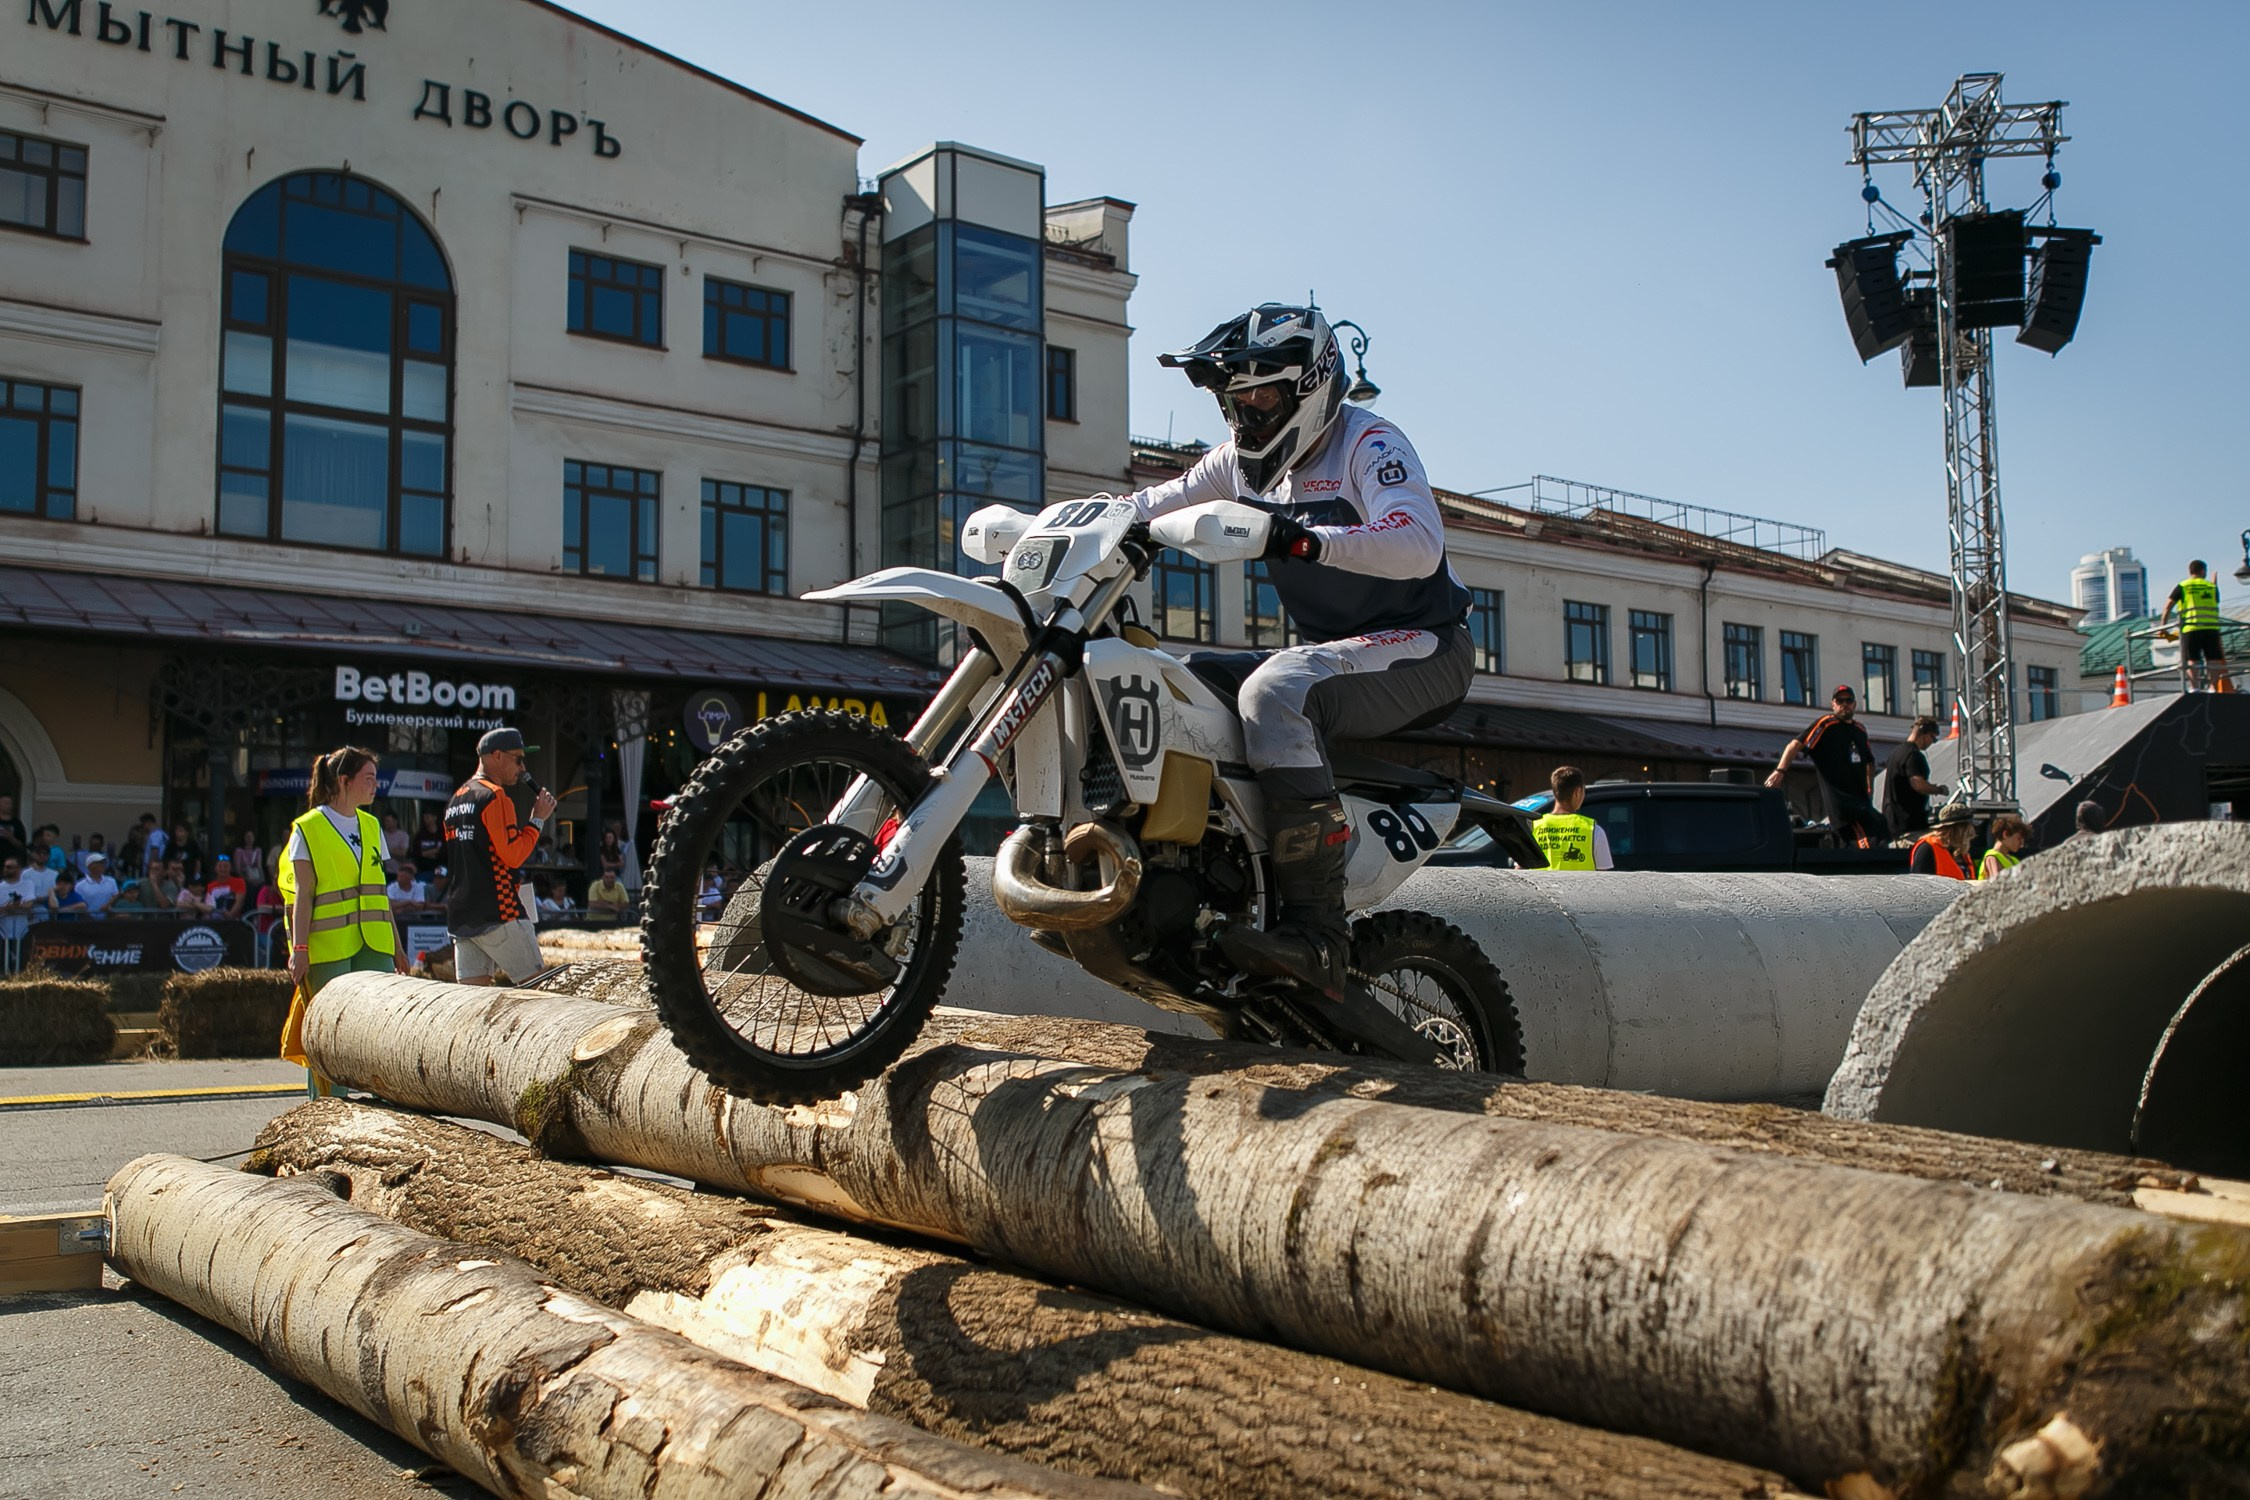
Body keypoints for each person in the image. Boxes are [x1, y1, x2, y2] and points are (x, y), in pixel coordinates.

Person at [1111, 304, 1476, 998]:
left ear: (1311, 387)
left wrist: (1304, 540)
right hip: (1340, 651)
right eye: (1235, 403)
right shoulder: (1238, 467)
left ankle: (1318, 935)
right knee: (1174, 682)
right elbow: (1152, 503)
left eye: (1262, 400)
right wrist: (1059, 521)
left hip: (1426, 645)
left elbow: (1417, 541)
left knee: (1277, 690)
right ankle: (1220, 886)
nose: (1247, 420)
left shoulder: (1369, 444)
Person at [278, 746, 410, 1097]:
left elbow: (380, 895)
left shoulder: (372, 826)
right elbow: (302, 896)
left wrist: (397, 949)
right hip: (328, 947)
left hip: (374, 945)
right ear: (344, 781)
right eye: (368, 779)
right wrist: (299, 949)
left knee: (377, 1031)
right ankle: (325, 1107)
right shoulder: (307, 828)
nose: (375, 786)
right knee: (328, 1036)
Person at [443, 727, 555, 986]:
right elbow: (513, 855)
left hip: (462, 917)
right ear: (496, 756)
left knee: (473, 1006)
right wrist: (537, 820)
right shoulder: (495, 796)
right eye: (518, 759)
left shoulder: (455, 801)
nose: (522, 766)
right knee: (539, 993)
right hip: (499, 914)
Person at [1768, 685, 1887, 849]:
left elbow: (1870, 761)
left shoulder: (1859, 729)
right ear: (1833, 704)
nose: (1844, 704)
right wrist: (1780, 771)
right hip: (1845, 809)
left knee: (1883, 830)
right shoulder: (1826, 725)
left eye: (1848, 700)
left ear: (1855, 704)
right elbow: (1794, 745)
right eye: (1840, 700)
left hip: (1863, 804)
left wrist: (1869, 791)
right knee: (1869, 847)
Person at [2159, 559, 2233, 693]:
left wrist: (2163, 626)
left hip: (2191, 628)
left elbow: (2168, 606)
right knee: (2214, 660)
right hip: (2211, 628)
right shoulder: (2210, 586)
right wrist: (2214, 583)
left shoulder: (2184, 585)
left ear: (2190, 571)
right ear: (2203, 571)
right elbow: (2216, 601)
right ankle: (2214, 687)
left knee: (2192, 659)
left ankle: (2195, 687)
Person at [1531, 765, 1614, 871]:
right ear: (1577, 792)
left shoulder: (1533, 827)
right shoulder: (1593, 831)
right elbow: (1604, 877)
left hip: (1540, 888)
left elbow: (1519, 872)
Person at [1881, 716, 1949, 842]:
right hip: (1910, 824)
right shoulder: (1914, 755)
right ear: (1925, 735)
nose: (1932, 743)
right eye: (1933, 739)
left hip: (1892, 822)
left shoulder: (1896, 752)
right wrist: (1939, 789)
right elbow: (1918, 784)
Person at [1910, 802, 1977, 880]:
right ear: (1960, 828)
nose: (1972, 831)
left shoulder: (1961, 851)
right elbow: (1919, 882)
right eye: (1969, 826)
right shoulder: (1927, 847)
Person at [1979, 813, 2030, 880]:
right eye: (2019, 838)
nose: (2022, 845)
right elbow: (1997, 884)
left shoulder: (2014, 860)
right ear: (2005, 834)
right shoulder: (1992, 857)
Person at [75, 851, 119, 918]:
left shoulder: (111, 881)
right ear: (90, 865)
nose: (102, 865)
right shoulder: (79, 885)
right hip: (87, 922)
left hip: (108, 921)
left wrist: (109, 906)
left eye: (103, 863)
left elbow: (116, 897)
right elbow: (79, 906)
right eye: (99, 863)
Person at [204, 854, 248, 919]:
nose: (223, 869)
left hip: (232, 919)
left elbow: (239, 902)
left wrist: (230, 915)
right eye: (220, 866)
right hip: (213, 919)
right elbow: (208, 904)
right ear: (215, 868)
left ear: (230, 868)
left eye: (226, 866)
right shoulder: (210, 885)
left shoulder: (239, 882)